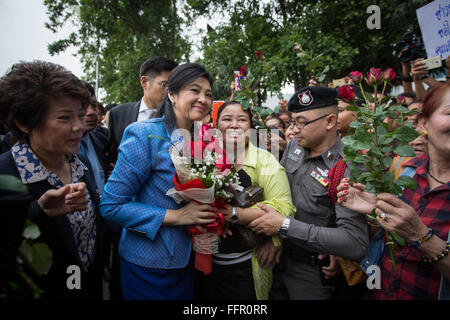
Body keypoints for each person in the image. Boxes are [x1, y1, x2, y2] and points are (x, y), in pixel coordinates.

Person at [99, 63, 220, 300]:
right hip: (150, 263)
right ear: (172, 95)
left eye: (208, 94)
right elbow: (110, 206)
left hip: (193, 259)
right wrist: (178, 216)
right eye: (194, 91)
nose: (203, 99)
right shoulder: (144, 134)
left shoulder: (205, 140)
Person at [248, 86, 369, 299]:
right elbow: (281, 195)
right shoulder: (295, 146)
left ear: (330, 121)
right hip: (277, 257)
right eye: (293, 122)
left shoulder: (348, 166)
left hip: (311, 271)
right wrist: (276, 236)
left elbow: (354, 242)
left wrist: (284, 226)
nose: (293, 130)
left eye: (301, 123)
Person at [0, 61, 104, 299]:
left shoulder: (81, 165)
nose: (78, 126)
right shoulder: (5, 177)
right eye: (65, 118)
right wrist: (37, 212)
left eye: (79, 115)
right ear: (24, 122)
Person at [337, 82, 450, 300]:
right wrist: (376, 209)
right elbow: (387, 242)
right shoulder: (404, 169)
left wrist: (422, 237)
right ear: (423, 122)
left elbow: (413, 233)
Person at [195, 101, 296, 300]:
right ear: (216, 126)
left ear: (250, 127)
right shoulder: (202, 158)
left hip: (245, 267)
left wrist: (234, 215)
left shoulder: (265, 160)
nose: (234, 125)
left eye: (241, 119)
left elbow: (285, 209)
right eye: (227, 119)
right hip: (204, 265)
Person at [107, 56, 178, 164]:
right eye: (165, 85)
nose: (170, 93)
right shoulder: (118, 114)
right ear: (144, 82)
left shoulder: (179, 118)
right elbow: (112, 157)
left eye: (174, 87)